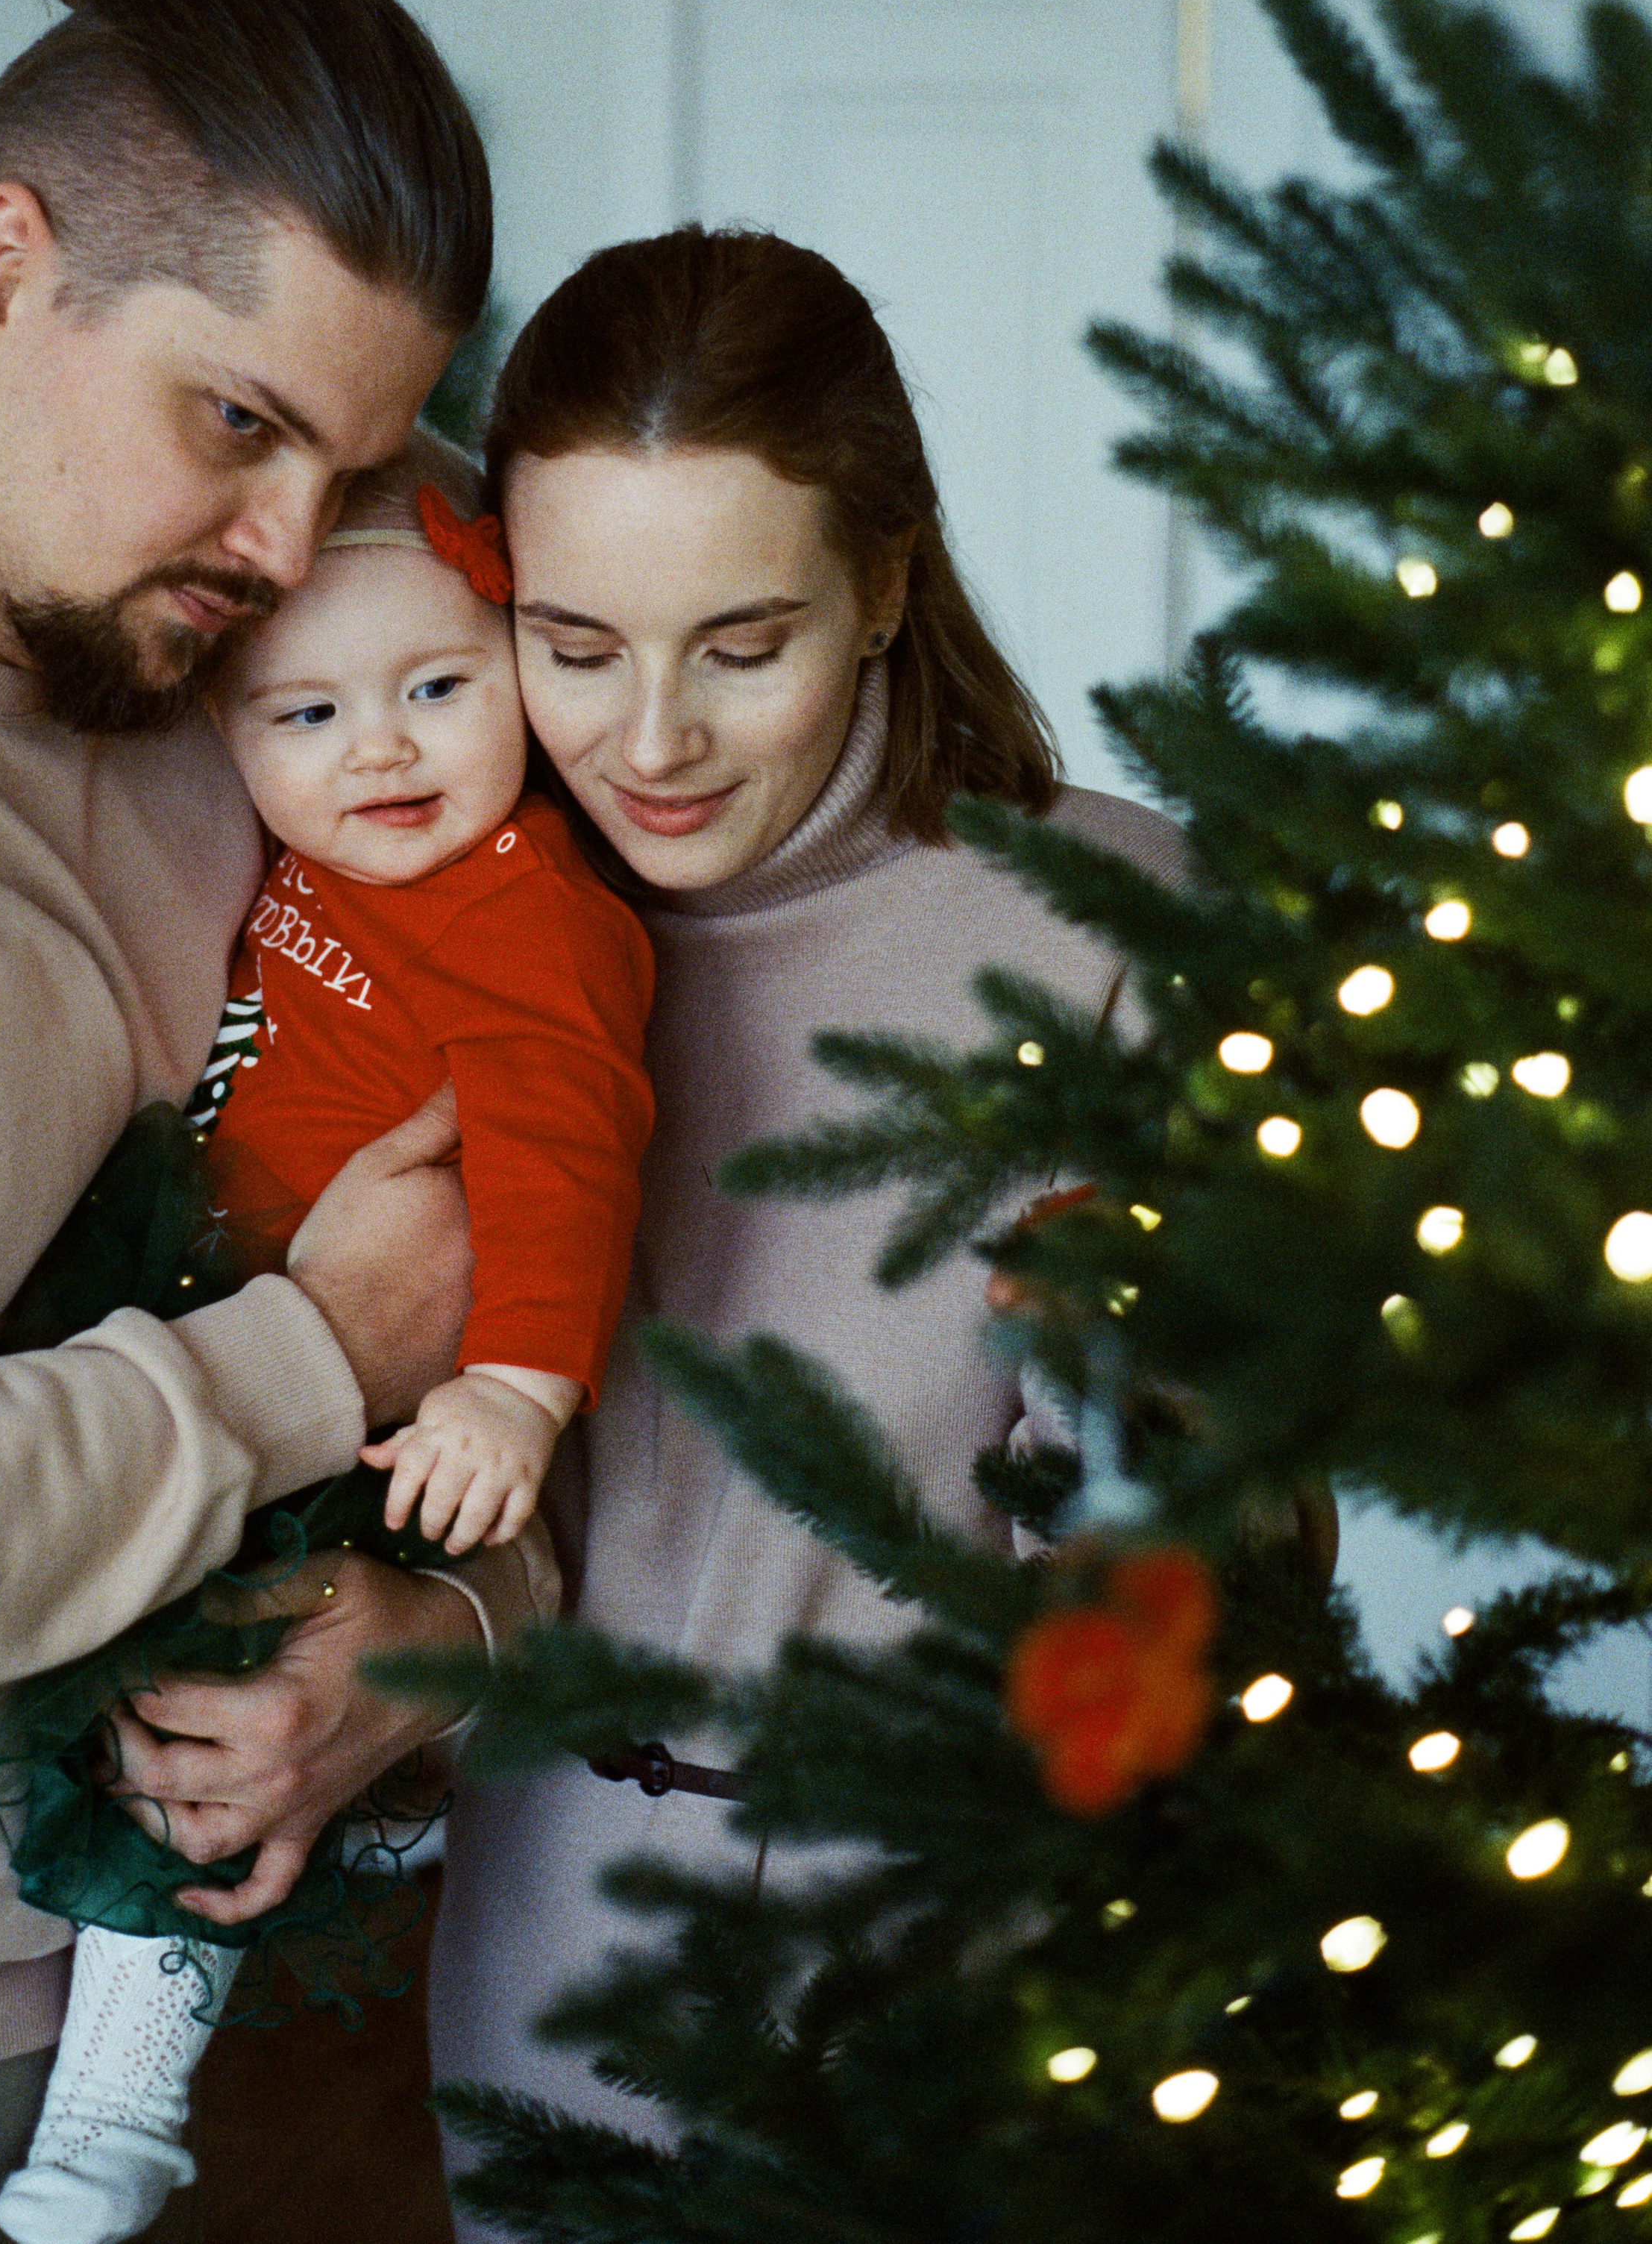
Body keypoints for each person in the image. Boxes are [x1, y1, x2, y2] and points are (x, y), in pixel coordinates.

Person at [0, 0, 550, 2244]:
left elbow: (524, 1265)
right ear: (3, 271)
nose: (298, 547)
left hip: (254, 2024)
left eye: (360, 461)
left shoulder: (307, 700)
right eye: (238, 420)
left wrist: (446, 1640)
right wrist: (307, 1364)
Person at [423, 226, 1190, 2230]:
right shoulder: (439, 944)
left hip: (981, 1993)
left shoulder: (1123, 928)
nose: (648, 739)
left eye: (739, 643)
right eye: (573, 643)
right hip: (540, 1960)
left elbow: (1259, 1544)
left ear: (886, 586)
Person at [0, 432, 653, 2244]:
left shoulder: (529, 911)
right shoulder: (292, 853)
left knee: (201, 1707)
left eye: (437, 688)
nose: (377, 747)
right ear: (231, 735)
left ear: (519, 668)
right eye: (305, 715)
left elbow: (565, 1143)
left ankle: (126, 2093)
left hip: (346, 1397)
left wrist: (514, 1384)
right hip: (205, 1306)